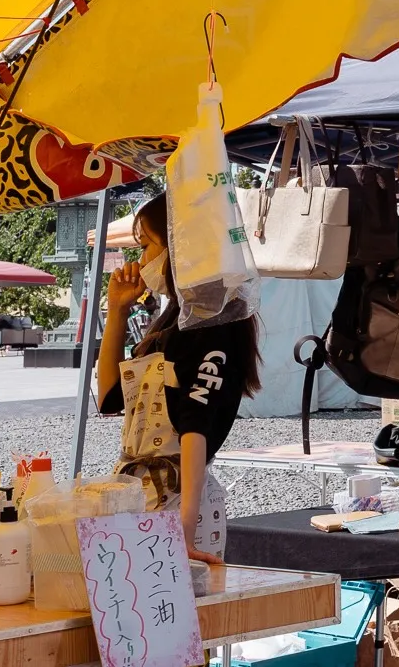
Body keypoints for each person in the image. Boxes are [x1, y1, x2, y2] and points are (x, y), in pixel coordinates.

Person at [97, 195, 261, 568]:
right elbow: (109, 398)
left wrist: (183, 531)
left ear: (181, 247)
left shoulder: (215, 325)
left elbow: (195, 426)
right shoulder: (173, 321)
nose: (140, 261)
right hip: (142, 495)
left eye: (147, 246)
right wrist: (117, 312)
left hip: (180, 502)